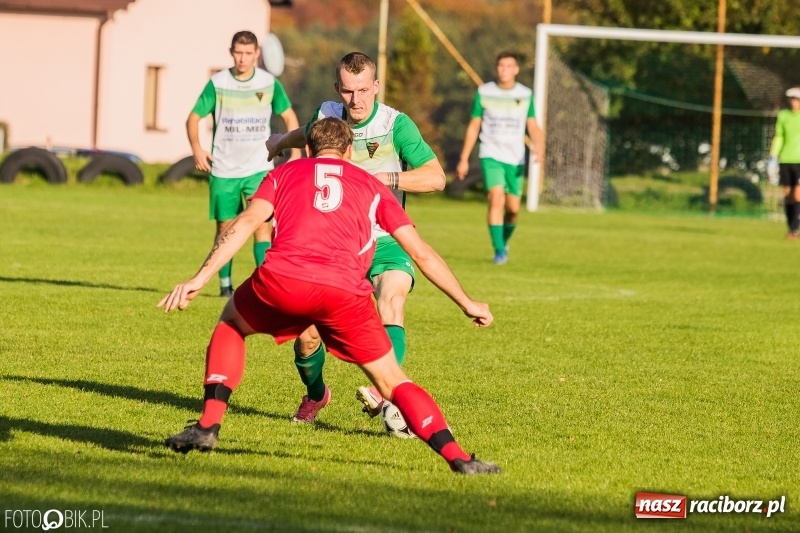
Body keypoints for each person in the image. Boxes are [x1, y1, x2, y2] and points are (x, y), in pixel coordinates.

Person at [159, 117, 499, 475]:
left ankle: (209, 425)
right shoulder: (371, 185)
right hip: (344, 293)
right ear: (349, 151)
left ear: (308, 149)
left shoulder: (283, 175)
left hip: (283, 280)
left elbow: (245, 223)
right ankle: (458, 458)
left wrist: (200, 278)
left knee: (231, 323)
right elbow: (422, 253)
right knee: (392, 381)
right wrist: (467, 303)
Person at [266, 52, 446, 426]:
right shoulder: (328, 115)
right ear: (338, 89)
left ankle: (385, 393)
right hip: (335, 246)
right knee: (307, 338)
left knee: (391, 300)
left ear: (376, 86)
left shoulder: (396, 125)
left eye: (364, 90)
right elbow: (308, 133)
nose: (356, 100)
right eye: (348, 91)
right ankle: (316, 395)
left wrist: (385, 179)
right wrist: (281, 141)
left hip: (384, 238)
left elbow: (435, 177)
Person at [187, 30, 300, 297]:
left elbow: (289, 117)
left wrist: (294, 152)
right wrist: (197, 148)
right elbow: (193, 118)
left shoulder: (268, 83)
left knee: (262, 225)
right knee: (225, 228)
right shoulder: (218, 83)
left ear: (257, 54)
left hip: (258, 167)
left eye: (248, 53)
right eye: (238, 52)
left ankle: (265, 285)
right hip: (224, 168)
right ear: (231, 52)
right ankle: (225, 286)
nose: (243, 58)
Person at [456, 51, 544, 265]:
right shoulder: (484, 92)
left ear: (516, 70)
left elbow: (532, 124)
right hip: (490, 153)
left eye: (508, 66)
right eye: (500, 66)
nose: (504, 70)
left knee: (513, 210)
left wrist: (539, 147)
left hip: (515, 158)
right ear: (496, 68)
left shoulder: (524, 94)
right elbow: (474, 124)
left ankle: (502, 241)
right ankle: (499, 251)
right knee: (496, 198)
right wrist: (464, 158)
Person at [768, 87, 800, 239]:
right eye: (792, 99)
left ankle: (795, 229)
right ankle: (790, 228)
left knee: (798, 195)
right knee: (788, 195)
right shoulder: (783, 116)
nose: (794, 102)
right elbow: (779, 137)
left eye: (797, 99)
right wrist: (773, 158)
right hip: (786, 160)